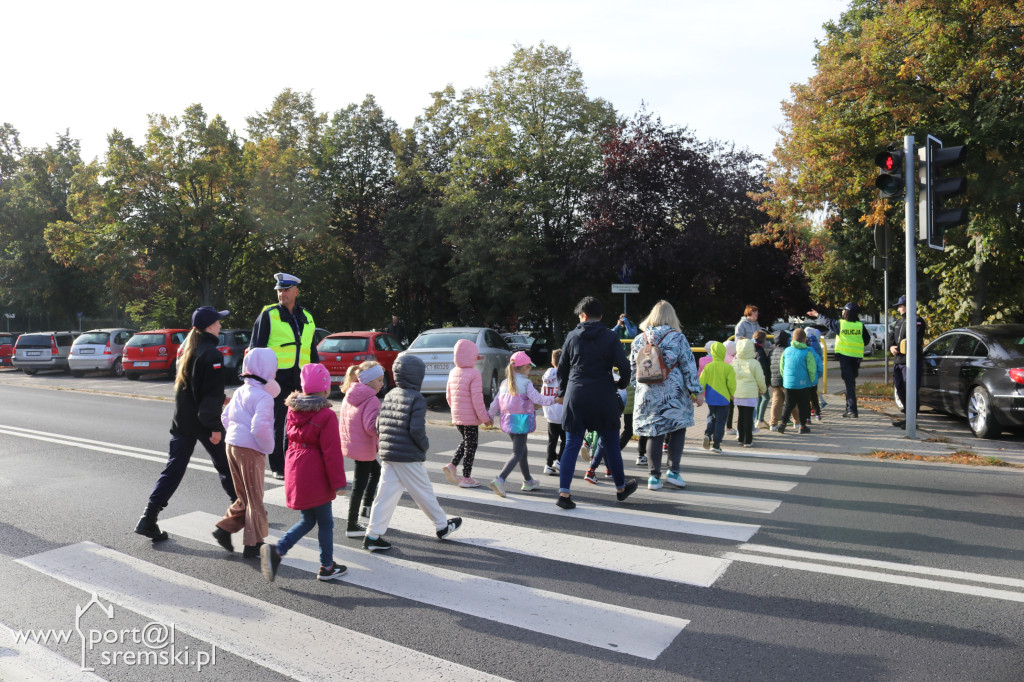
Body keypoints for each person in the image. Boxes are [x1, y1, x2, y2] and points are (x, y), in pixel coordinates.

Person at [133, 306, 236, 542]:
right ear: (210, 326)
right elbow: (208, 395)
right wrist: (215, 428)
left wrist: (221, 398)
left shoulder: (188, 349)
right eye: (218, 321)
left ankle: (148, 518)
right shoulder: (212, 354)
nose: (221, 324)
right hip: (203, 420)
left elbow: (193, 387)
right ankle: (242, 510)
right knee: (226, 464)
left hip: (183, 419)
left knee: (174, 469)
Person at [363, 354, 462, 551]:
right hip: (408, 455)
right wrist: (424, 446)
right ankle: (442, 526)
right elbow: (416, 430)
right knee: (423, 491)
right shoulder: (416, 398)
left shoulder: (390, 394)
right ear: (418, 376)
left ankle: (372, 535)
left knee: (384, 496)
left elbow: (378, 423)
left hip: (388, 453)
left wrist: (385, 442)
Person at [260, 363, 348, 582]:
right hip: (316, 472)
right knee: (326, 522)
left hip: (296, 467)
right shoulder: (326, 415)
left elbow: (287, 440)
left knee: (308, 519)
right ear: (326, 390)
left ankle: (278, 550)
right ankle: (326, 566)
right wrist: (338, 482)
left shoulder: (292, 408)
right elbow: (332, 452)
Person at [555, 296, 638, 510]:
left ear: (583, 315)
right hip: (603, 394)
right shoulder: (610, 337)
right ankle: (621, 488)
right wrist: (622, 384)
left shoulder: (572, 336)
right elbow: (625, 366)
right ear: (601, 316)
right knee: (610, 443)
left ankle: (564, 493)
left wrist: (563, 392)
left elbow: (562, 369)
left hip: (577, 395)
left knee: (572, 444)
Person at [249, 272, 320, 480]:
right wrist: (259, 379)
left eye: (286, 289)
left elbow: (311, 350)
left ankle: (294, 459)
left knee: (299, 421)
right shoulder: (268, 314)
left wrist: (316, 375)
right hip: (276, 378)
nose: (282, 293)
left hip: (301, 378)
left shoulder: (307, 316)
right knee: (279, 422)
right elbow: (255, 349)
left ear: (296, 291)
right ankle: (278, 466)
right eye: (279, 290)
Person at [213, 347, 279, 558]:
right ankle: (253, 544)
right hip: (250, 449)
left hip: (231, 444)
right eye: (274, 368)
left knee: (244, 495)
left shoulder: (241, 390)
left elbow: (225, 416)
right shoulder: (264, 397)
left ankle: (224, 528)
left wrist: (233, 433)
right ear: (266, 370)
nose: (275, 372)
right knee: (255, 497)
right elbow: (260, 428)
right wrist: (267, 448)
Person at [630, 300, 703, 491]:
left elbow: (632, 369)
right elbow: (688, 366)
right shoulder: (678, 338)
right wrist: (697, 391)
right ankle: (673, 472)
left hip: (647, 393)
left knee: (655, 432)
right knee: (677, 429)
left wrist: (638, 389)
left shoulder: (639, 339)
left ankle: (653, 477)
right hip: (674, 393)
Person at [486, 351, 556, 496]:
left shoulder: (505, 383)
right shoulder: (526, 383)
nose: (529, 371)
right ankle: (500, 479)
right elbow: (539, 399)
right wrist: (555, 400)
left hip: (508, 421)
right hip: (521, 422)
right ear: (525, 368)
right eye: (529, 368)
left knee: (522, 451)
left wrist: (490, 416)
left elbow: (495, 403)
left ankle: (528, 481)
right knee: (517, 453)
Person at [338, 361, 385, 537]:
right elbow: (371, 428)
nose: (382, 384)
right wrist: (383, 424)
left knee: (376, 472)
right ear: (370, 381)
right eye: (379, 380)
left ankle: (366, 508)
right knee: (359, 485)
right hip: (365, 446)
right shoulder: (371, 399)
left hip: (353, 443)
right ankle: (351, 525)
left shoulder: (351, 393)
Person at [443, 339, 492, 487]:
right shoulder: (474, 374)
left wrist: (455, 411)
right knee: (471, 446)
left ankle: (452, 465)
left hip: (458, 416)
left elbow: (448, 395)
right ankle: (466, 477)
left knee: (466, 442)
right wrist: (485, 418)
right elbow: (477, 399)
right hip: (470, 417)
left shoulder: (453, 372)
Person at [808, 303, 870, 418]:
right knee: (850, 383)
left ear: (847, 313)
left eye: (843, 310)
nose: (842, 312)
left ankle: (852, 410)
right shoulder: (860, 326)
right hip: (856, 358)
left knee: (849, 384)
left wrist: (817, 314)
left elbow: (826, 321)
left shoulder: (840, 324)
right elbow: (866, 340)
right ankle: (849, 408)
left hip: (845, 357)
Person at [888, 295, 926, 429]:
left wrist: (901, 348)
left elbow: (914, 340)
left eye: (900, 306)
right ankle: (907, 417)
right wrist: (891, 346)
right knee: (899, 388)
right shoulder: (898, 322)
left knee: (911, 390)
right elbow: (891, 337)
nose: (898, 309)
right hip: (898, 361)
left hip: (911, 362)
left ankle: (912, 420)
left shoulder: (917, 321)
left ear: (907, 306)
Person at [777, 328, 818, 435]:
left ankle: (783, 424)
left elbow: (782, 366)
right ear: (804, 339)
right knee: (803, 405)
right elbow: (811, 368)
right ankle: (802, 426)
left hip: (789, 383)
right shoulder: (807, 352)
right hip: (803, 383)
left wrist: (785, 378)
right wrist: (812, 380)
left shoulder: (787, 350)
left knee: (789, 404)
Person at [699, 341, 735, 453]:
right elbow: (731, 383)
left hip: (710, 398)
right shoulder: (728, 367)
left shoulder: (708, 367)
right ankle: (716, 444)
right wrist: (732, 393)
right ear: (723, 352)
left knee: (711, 417)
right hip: (724, 398)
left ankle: (708, 434)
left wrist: (698, 394)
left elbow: (702, 382)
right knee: (721, 421)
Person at [732, 338, 767, 447]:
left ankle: (740, 438)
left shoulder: (734, 362)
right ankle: (748, 440)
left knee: (740, 416)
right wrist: (763, 389)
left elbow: (730, 378)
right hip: (751, 393)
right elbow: (760, 378)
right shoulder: (754, 363)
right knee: (749, 416)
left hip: (737, 392)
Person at [541, 349, 565, 475]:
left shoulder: (546, 376)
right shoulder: (564, 375)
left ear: (552, 361)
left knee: (552, 441)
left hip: (549, 413)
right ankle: (559, 461)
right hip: (562, 413)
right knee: (565, 440)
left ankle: (548, 464)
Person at [768, 330, 790, 430]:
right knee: (791, 402)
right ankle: (797, 422)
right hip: (786, 381)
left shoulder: (772, 352)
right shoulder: (788, 351)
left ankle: (773, 423)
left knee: (776, 402)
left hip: (774, 380)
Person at [803, 327, 825, 423]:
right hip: (814, 377)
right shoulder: (815, 349)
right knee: (814, 396)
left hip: (804, 379)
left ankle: (807, 417)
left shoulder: (802, 352)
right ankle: (817, 414)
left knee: (806, 398)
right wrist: (817, 375)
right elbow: (820, 365)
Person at [753, 330, 773, 429]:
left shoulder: (755, 350)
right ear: (763, 340)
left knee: (760, 398)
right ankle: (759, 419)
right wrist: (767, 382)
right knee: (766, 398)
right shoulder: (760, 352)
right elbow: (763, 369)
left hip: (756, 379)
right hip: (761, 380)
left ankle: (758, 419)